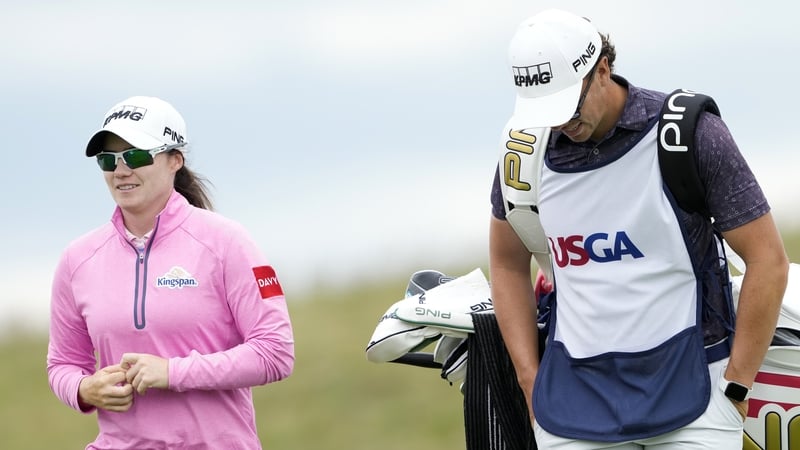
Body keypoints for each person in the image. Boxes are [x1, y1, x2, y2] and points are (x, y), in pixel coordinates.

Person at [488, 9, 789, 449]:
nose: (559, 122)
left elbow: (768, 260)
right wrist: (530, 381)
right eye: (545, 110)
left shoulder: (690, 134)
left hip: (695, 394)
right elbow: (506, 263)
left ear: (603, 70)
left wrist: (737, 385)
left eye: (568, 104)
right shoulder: (523, 152)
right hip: (572, 404)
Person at [47, 96, 295, 449]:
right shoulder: (77, 260)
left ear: (174, 160)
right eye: (108, 159)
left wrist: (172, 372)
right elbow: (63, 362)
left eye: (135, 155)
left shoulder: (228, 242)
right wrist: (83, 389)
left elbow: (275, 353)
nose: (120, 171)